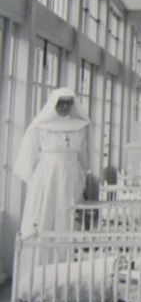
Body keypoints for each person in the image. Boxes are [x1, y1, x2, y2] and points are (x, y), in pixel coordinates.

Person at [14, 88, 90, 238]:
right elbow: (30, 155)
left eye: (68, 103)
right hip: (47, 177)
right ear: (53, 104)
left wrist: (81, 178)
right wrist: (36, 181)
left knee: (67, 214)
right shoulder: (41, 127)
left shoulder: (80, 127)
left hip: (71, 176)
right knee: (43, 214)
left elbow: (83, 156)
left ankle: (63, 259)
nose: (64, 107)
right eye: (60, 103)